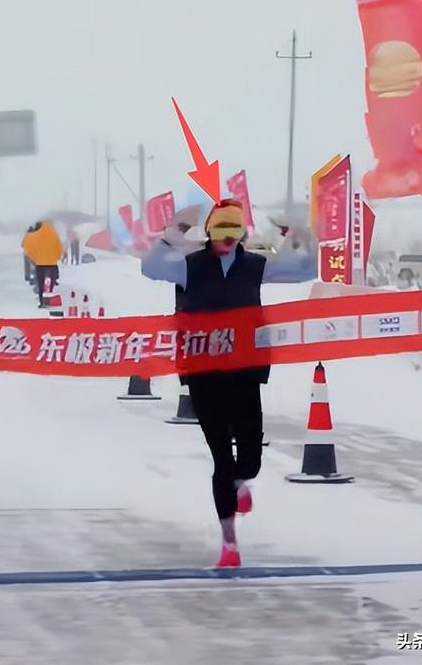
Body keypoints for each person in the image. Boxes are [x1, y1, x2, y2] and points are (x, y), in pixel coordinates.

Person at [142, 198, 316, 568]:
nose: (227, 239)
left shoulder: (254, 265)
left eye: (234, 232)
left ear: (243, 233)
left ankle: (241, 483)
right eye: (220, 231)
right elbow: (150, 267)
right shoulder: (191, 266)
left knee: (250, 458)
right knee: (222, 457)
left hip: (245, 371)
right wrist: (171, 235)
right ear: (208, 232)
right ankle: (230, 542)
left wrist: (299, 234)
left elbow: (304, 269)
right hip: (204, 374)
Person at [21, 221, 64, 308]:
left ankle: (41, 301)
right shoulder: (54, 235)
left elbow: (26, 244)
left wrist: (33, 258)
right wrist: (58, 257)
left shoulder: (36, 235)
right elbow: (59, 247)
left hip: (40, 263)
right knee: (52, 280)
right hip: (52, 263)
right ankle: (49, 296)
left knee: (40, 282)